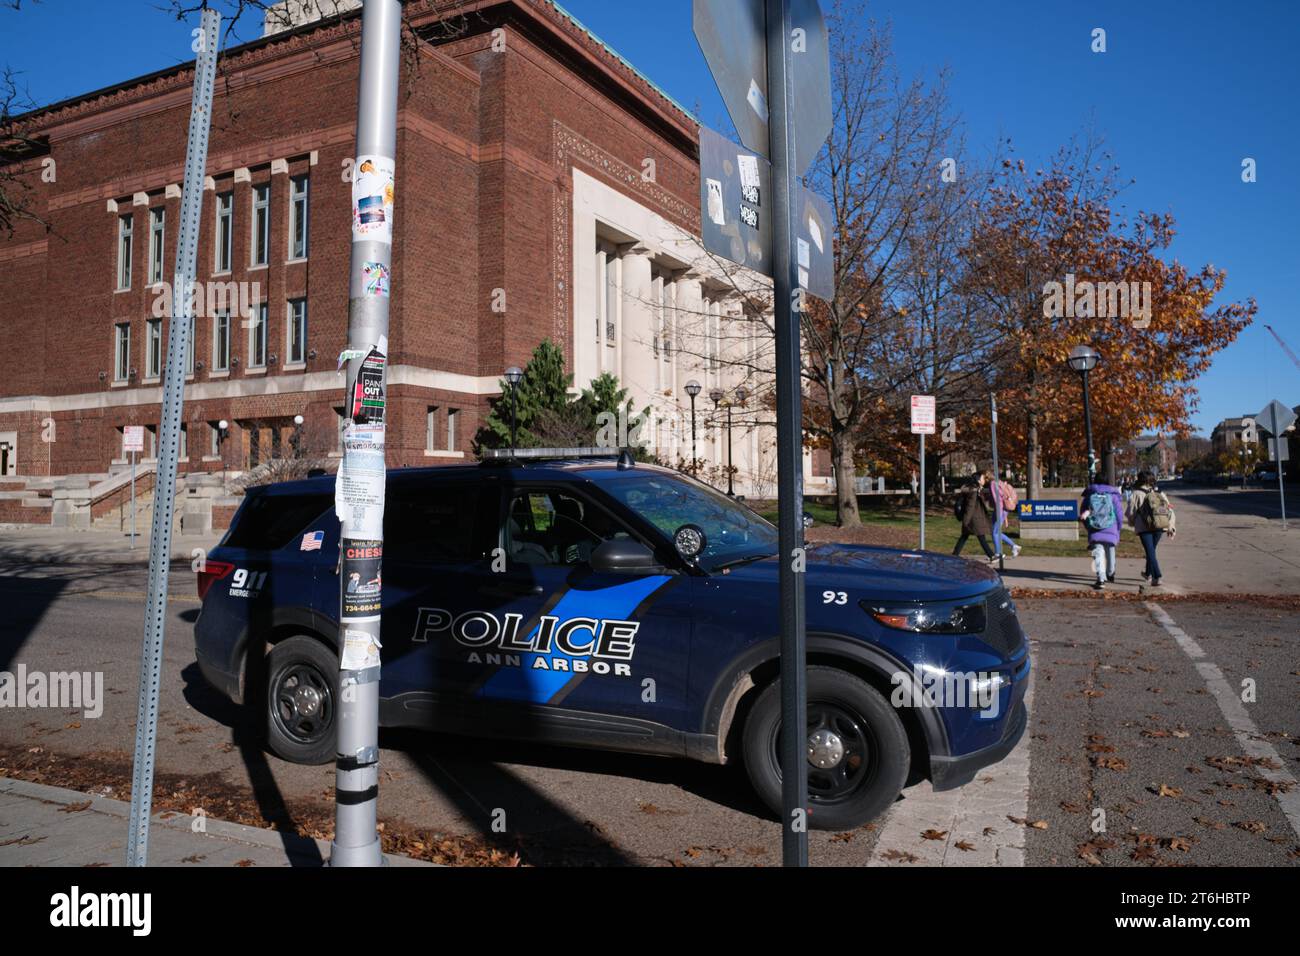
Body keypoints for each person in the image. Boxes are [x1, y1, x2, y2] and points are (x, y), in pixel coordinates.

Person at [1124, 470, 1176, 587]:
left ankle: (1157, 576)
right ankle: (1148, 573)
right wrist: (1171, 526)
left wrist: (1132, 523)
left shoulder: (1136, 493)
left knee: (1150, 551)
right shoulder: (1159, 492)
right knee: (1151, 550)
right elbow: (1169, 510)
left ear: (1139, 479)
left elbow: (1130, 512)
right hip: (1160, 525)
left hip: (1144, 527)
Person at [1079, 477, 1123, 589]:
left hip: (1095, 527)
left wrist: (1088, 527)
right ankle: (1111, 573)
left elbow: (1083, 512)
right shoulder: (1113, 495)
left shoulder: (1090, 495)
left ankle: (1101, 578)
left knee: (1098, 553)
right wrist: (1118, 527)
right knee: (1110, 550)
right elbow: (1119, 514)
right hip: (1111, 527)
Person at [953, 471, 996, 562]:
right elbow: (970, 507)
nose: (984, 480)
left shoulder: (974, 489)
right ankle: (991, 555)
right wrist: (966, 521)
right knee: (980, 537)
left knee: (965, 537)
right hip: (974, 518)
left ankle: (954, 555)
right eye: (982, 478)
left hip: (974, 518)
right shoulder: (973, 491)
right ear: (978, 480)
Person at [989, 473, 1022, 559]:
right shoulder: (1001, 483)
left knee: (995, 533)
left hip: (999, 511)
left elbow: (997, 500)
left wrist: (998, 513)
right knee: (996, 532)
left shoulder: (993, 484)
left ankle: (998, 553)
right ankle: (1013, 546)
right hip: (1003, 511)